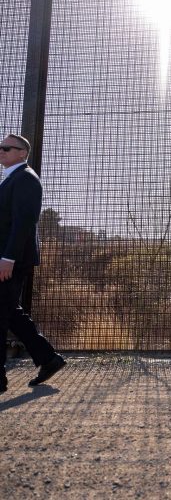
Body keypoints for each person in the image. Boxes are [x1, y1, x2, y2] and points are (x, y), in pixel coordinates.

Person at [0, 134, 66, 394]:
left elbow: (23, 222)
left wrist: (8, 258)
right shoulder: (13, 178)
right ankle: (49, 359)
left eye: (7, 148)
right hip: (8, 257)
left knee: (1, 313)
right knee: (10, 312)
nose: (1, 151)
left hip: (11, 259)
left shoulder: (26, 178)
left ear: (22, 153)